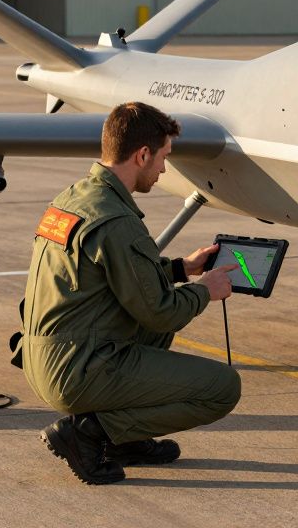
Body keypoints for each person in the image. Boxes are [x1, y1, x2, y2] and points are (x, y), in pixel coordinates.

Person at [20, 101, 240, 485]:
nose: (163, 170)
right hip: (77, 370)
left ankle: (127, 438)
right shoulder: (117, 221)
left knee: (153, 333)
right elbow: (161, 310)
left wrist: (180, 269)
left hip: (46, 358)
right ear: (142, 155)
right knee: (222, 389)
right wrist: (205, 291)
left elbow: (108, 278)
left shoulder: (75, 197)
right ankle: (93, 432)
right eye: (162, 158)